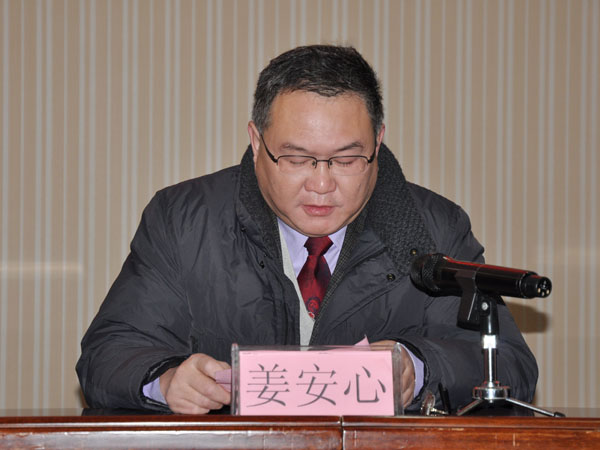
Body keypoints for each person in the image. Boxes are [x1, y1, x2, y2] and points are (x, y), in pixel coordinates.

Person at [76, 45, 537, 414]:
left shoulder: (433, 227)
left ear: (378, 142)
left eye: (347, 159)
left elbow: (510, 364)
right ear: (256, 141)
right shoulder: (184, 219)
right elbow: (109, 353)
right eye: (297, 159)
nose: (321, 184)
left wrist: (416, 370)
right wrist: (165, 381)